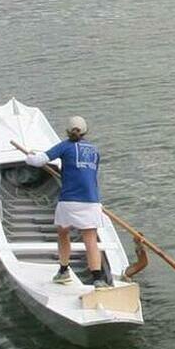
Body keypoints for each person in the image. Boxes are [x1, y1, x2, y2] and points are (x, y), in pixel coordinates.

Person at [25, 116, 113, 288]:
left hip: (69, 201)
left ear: (68, 131)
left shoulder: (65, 146)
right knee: (91, 240)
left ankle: (64, 271)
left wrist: (29, 157)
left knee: (63, 232)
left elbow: (38, 161)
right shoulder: (95, 150)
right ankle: (98, 279)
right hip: (91, 201)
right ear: (86, 132)